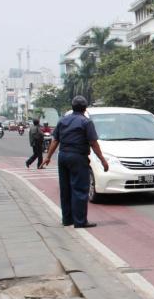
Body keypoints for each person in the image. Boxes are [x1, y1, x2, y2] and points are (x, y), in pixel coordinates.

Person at [41, 96, 109, 228]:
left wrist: (48, 157)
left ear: (72, 107)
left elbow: (55, 140)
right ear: (85, 108)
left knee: (65, 189)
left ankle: (67, 219)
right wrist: (102, 160)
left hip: (63, 156)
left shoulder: (63, 120)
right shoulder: (86, 122)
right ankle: (80, 221)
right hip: (78, 157)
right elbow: (93, 143)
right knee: (79, 189)